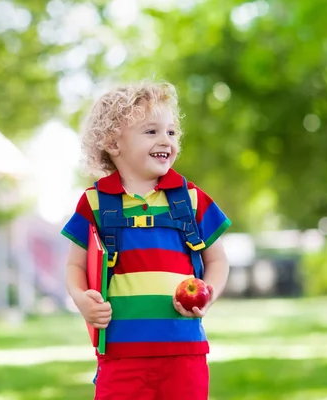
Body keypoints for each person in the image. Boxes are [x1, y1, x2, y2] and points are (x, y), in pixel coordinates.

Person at [61, 80, 231, 400]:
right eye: (151, 131)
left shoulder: (191, 200)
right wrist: (82, 300)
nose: (165, 139)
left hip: (184, 352)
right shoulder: (95, 203)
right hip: (120, 355)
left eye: (171, 132)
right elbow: (74, 265)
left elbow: (218, 260)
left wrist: (208, 293)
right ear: (113, 143)